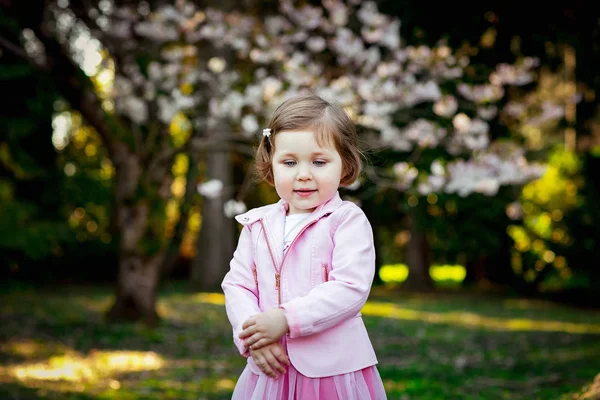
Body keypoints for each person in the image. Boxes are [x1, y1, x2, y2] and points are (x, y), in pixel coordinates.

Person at [221, 93, 386, 399]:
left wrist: (285, 319)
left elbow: (349, 286)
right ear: (271, 164)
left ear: (344, 165)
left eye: (319, 161)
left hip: (331, 372)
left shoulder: (346, 221)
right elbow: (238, 285)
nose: (304, 174)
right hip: (271, 367)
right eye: (290, 162)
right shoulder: (257, 224)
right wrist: (254, 337)